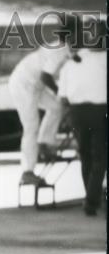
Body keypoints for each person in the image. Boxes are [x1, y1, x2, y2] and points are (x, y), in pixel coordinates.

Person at [8, 22, 74, 188]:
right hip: (24, 84)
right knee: (31, 127)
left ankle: (44, 143)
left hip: (35, 85)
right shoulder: (60, 50)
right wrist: (61, 93)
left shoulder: (63, 47)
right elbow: (46, 77)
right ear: (72, 36)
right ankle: (27, 172)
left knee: (56, 107)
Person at [58, 18, 107, 216]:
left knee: (86, 156)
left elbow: (63, 97)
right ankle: (91, 200)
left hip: (77, 114)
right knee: (100, 158)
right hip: (99, 112)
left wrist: (66, 118)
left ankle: (90, 199)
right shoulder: (104, 59)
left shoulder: (73, 60)